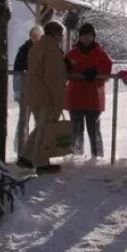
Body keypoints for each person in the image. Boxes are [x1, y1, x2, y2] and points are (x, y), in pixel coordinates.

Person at [18, 20, 68, 173]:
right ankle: (41, 163)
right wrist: (58, 98)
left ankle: (26, 157)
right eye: (61, 34)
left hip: (33, 93)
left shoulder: (36, 46)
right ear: (56, 34)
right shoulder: (52, 48)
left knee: (40, 127)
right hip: (46, 95)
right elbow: (52, 76)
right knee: (45, 128)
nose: (62, 37)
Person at [65, 23, 113, 159]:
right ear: (80, 37)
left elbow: (107, 69)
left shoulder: (101, 53)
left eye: (89, 36)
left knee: (94, 130)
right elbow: (61, 68)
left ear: (93, 37)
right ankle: (75, 156)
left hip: (93, 98)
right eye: (83, 36)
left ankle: (97, 157)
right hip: (75, 98)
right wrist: (65, 67)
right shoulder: (71, 53)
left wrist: (97, 72)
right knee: (76, 130)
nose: (86, 38)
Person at [12, 25, 43, 153]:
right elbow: (17, 72)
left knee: (39, 121)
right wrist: (17, 91)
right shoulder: (24, 50)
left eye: (38, 36)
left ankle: (37, 148)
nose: (36, 39)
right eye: (34, 36)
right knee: (24, 121)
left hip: (40, 93)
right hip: (26, 92)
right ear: (30, 37)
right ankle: (21, 148)